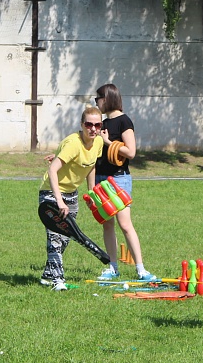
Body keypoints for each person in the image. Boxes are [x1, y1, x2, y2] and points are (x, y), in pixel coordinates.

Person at [93, 83, 156, 282]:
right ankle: (113, 267)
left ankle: (141, 269)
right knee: (107, 224)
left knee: (125, 224)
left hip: (119, 178)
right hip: (100, 178)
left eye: (98, 98)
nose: (97, 102)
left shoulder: (124, 121)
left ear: (108, 98)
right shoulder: (101, 123)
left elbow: (131, 152)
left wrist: (109, 143)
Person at [39, 106, 104, 291]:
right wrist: (58, 201)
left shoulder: (98, 142)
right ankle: (57, 281)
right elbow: (52, 170)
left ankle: (47, 274)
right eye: (88, 124)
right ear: (82, 125)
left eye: (97, 125)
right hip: (51, 192)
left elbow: (91, 166)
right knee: (55, 237)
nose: (93, 128)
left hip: (72, 193)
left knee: (67, 236)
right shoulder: (73, 144)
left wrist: (91, 192)